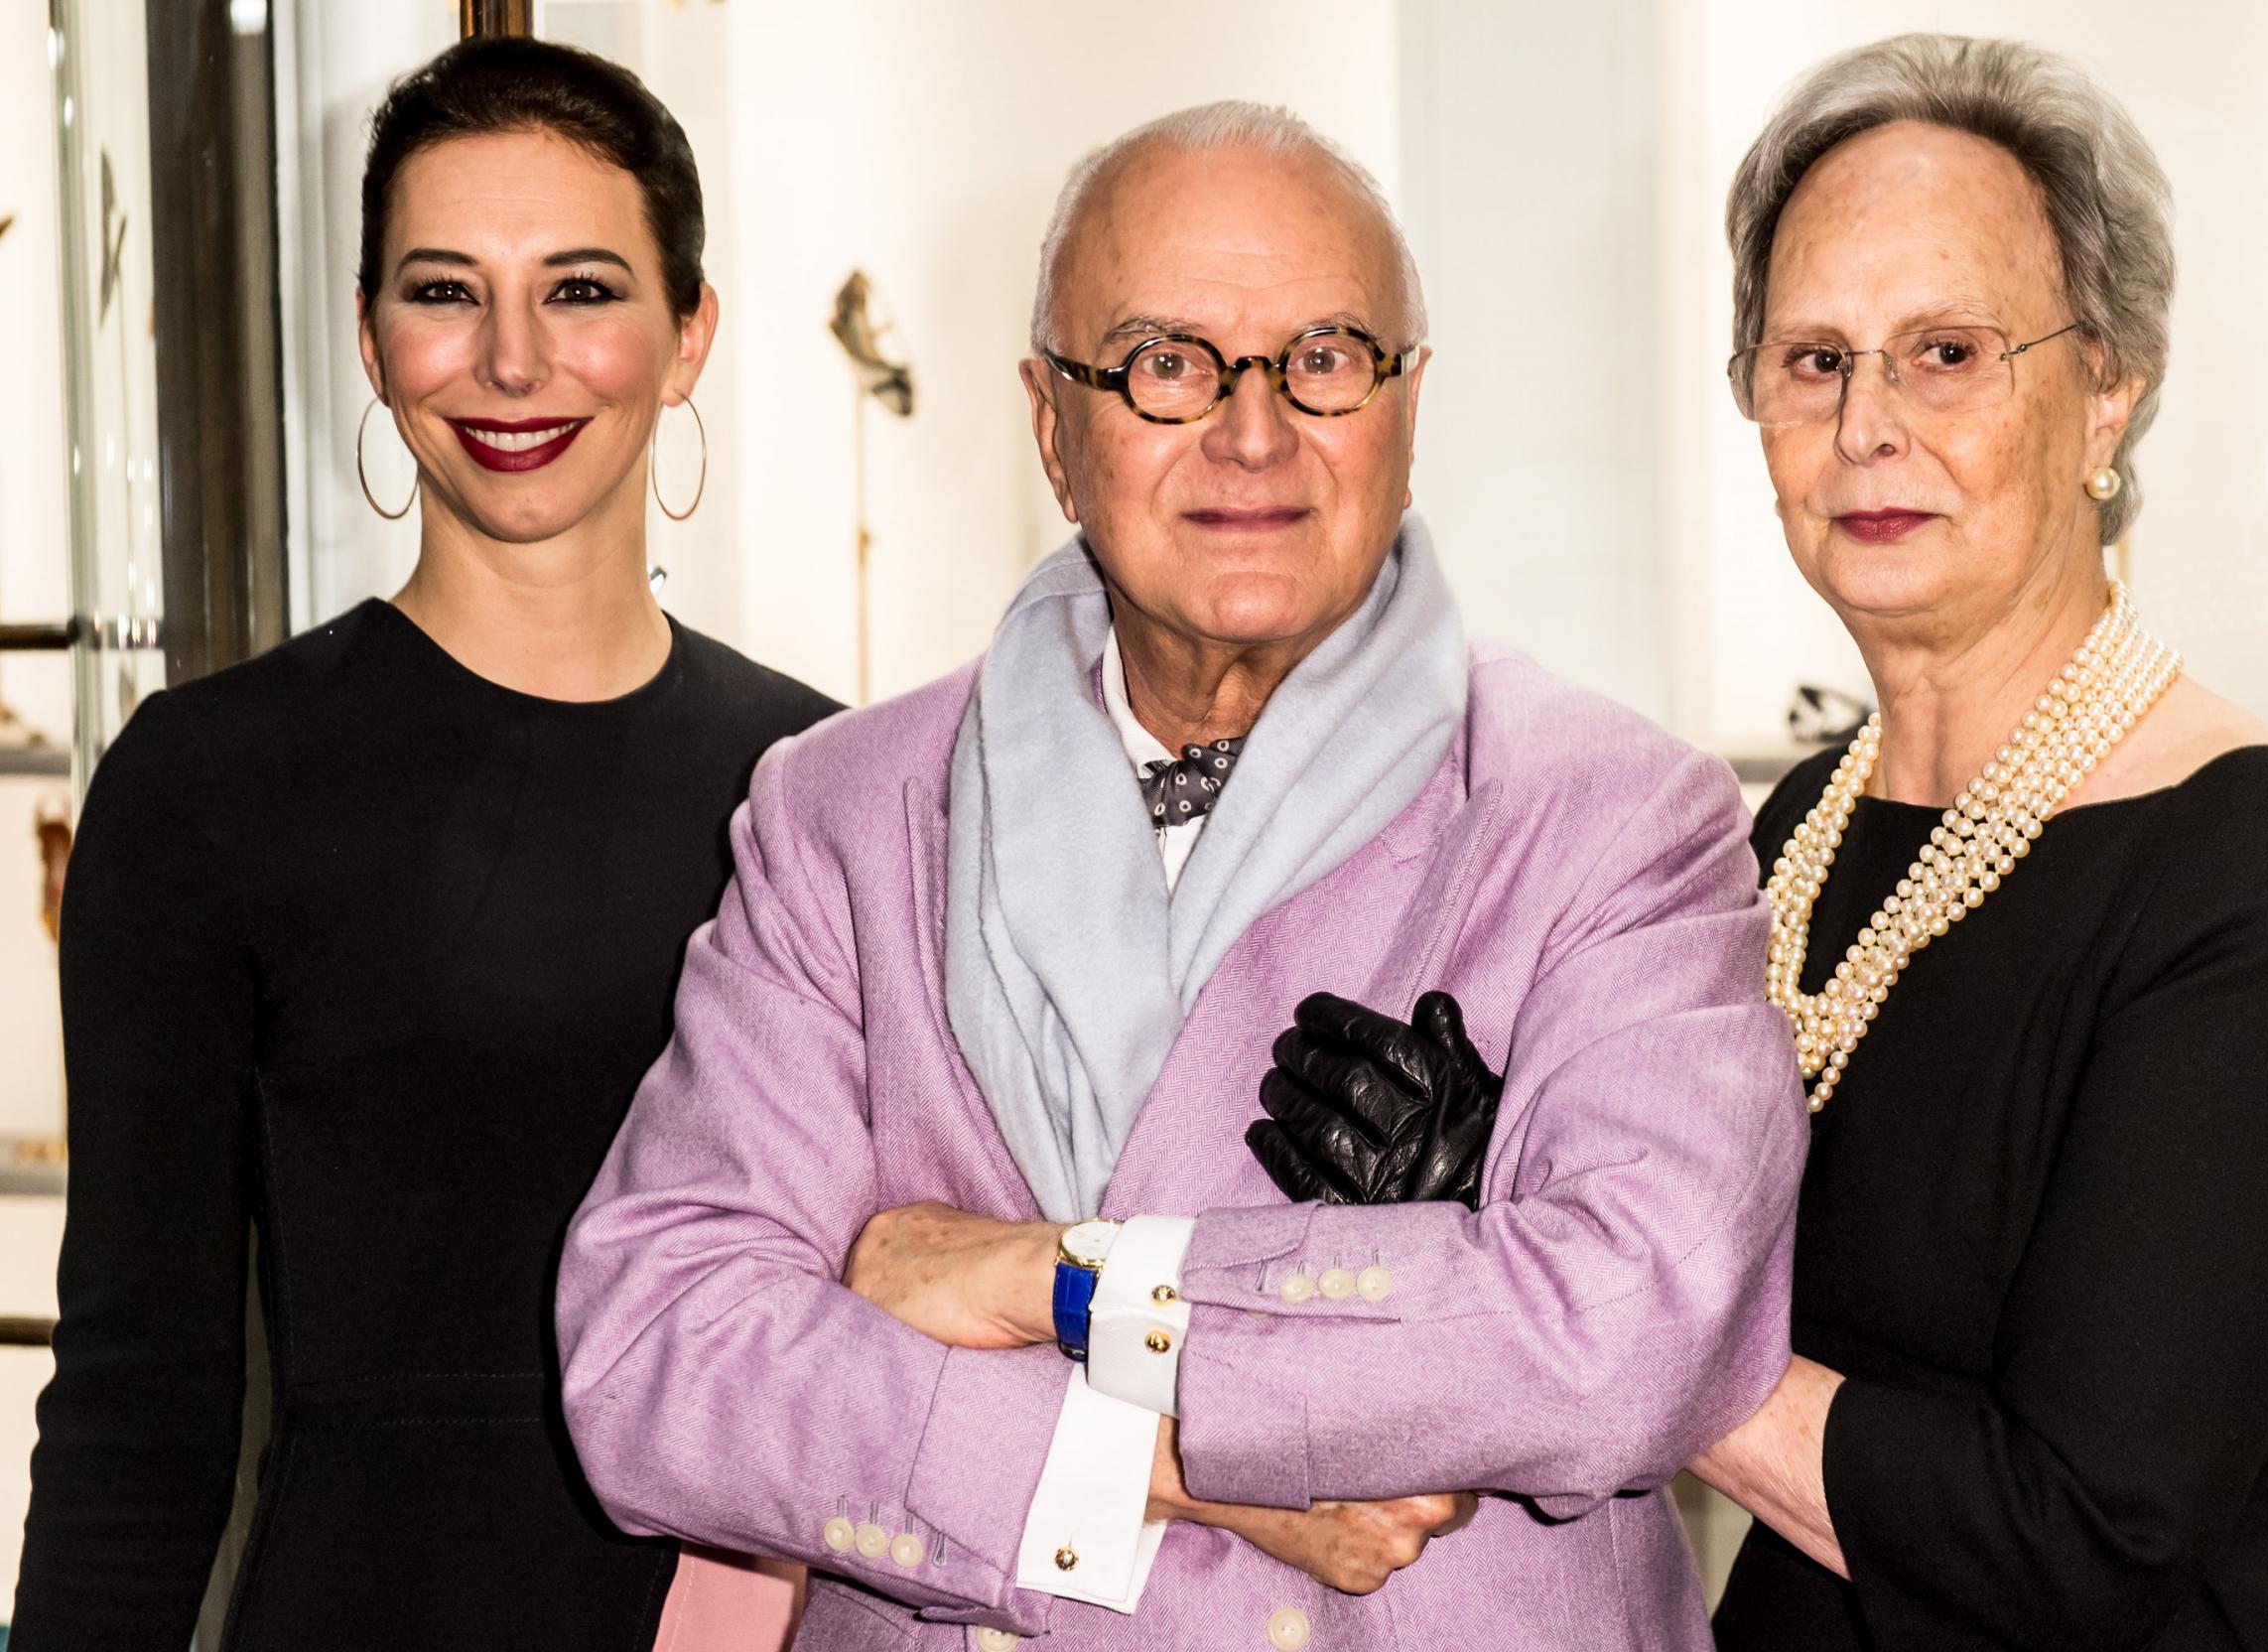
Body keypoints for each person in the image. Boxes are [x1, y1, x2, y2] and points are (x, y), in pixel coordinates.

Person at [555, 101, 1808, 1651]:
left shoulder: (1612, 816)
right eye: (1167, 362)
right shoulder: (844, 812)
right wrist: (1151, 1465)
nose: (1254, 431)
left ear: (1409, 406)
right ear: (1050, 422)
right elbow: (659, 1351)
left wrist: (1044, 1282)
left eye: (1326, 357)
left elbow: (1627, 1329)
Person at [1255, 33, 2268, 1651]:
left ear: (2109, 391)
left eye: (1946, 350)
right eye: (1812, 357)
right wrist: (1517, 1187)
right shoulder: (1805, 825)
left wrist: (1535, 1261)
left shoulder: (2257, 869)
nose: (1867, 423)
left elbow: (2074, 1536)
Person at [13, 37, 834, 1652]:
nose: (512, 362)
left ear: (689, 338)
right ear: (375, 346)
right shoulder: (211, 782)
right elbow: (138, 1392)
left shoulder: (825, 782)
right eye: (444, 291)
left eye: (584, 289)